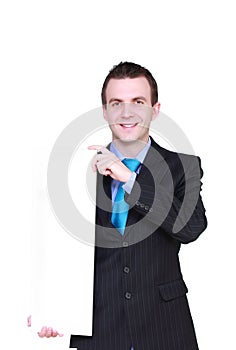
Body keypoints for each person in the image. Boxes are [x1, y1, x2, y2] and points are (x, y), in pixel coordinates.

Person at [30, 62, 207, 349]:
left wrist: (129, 179)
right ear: (105, 111)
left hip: (165, 327)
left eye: (138, 102)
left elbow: (190, 228)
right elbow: (52, 246)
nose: (127, 113)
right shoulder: (76, 171)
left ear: (155, 109)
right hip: (100, 329)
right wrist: (49, 308)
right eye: (116, 103)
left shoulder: (182, 166)